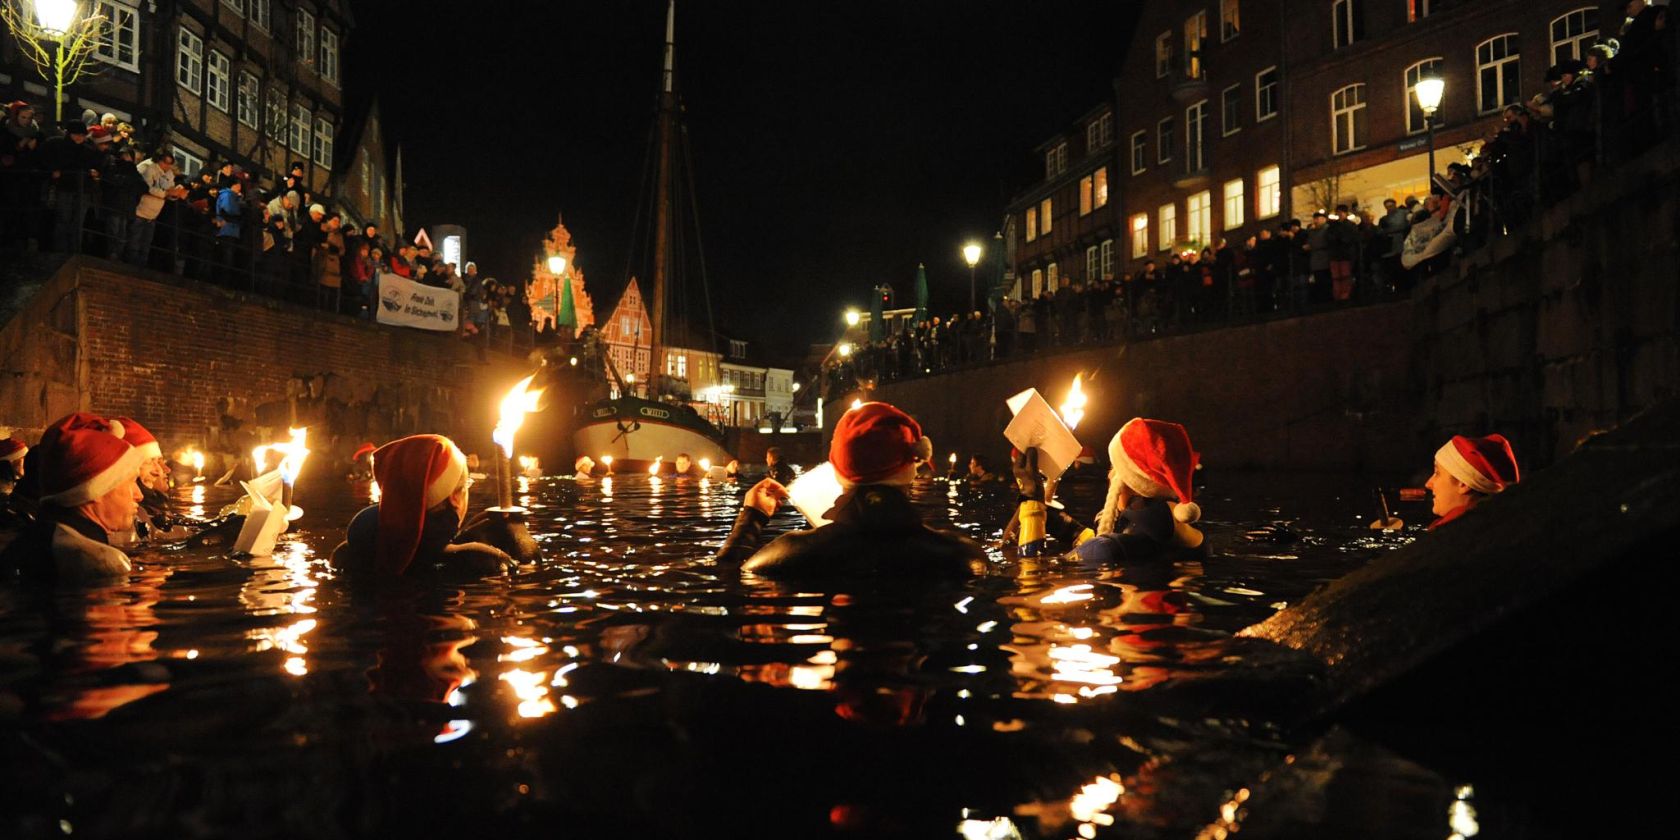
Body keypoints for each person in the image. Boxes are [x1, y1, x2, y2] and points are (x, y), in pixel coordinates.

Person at [714, 401, 982, 578]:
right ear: (912, 466)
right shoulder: (965, 558)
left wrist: (751, 520)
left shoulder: (786, 555)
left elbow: (727, 581)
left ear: (838, 471)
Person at [331, 434, 520, 579]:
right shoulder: (482, 561)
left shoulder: (347, 553)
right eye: (465, 485)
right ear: (454, 497)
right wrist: (517, 539)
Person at [0, 413, 146, 581]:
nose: (139, 495)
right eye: (131, 482)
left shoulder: (26, 543)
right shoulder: (100, 561)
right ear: (96, 489)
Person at [1073, 418, 1207, 564]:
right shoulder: (1192, 535)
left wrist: (1055, 523)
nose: (1108, 476)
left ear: (1129, 482)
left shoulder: (1107, 549)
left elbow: (1069, 565)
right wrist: (1074, 531)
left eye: (1112, 468)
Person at [1426, 434, 1520, 530]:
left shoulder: (1450, 537)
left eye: (1437, 473)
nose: (1428, 484)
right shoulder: (1497, 527)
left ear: (1463, 484)